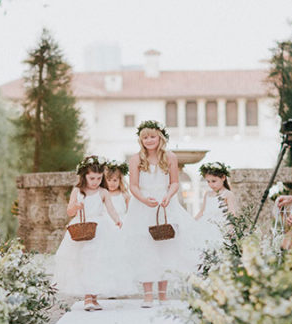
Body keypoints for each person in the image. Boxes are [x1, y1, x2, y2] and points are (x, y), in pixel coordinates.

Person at [123, 120, 202, 307]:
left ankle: (163, 294)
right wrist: (143, 199)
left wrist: (168, 195)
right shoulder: (135, 159)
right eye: (145, 137)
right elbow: (132, 185)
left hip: (165, 203)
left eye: (152, 136)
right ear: (140, 140)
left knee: (166, 246)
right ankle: (148, 295)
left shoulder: (170, 157)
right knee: (145, 248)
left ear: (160, 137)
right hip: (143, 205)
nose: (149, 140)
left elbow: (175, 182)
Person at [53, 156, 124, 311]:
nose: (95, 182)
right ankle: (87, 297)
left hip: (99, 229)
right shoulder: (78, 191)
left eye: (99, 178)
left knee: (97, 262)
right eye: (92, 178)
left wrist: (117, 220)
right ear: (84, 176)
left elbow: (110, 208)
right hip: (82, 227)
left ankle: (94, 297)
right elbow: (69, 210)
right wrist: (76, 206)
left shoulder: (103, 192)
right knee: (83, 261)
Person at [195, 162, 238, 249]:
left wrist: (230, 230)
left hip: (220, 228)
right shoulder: (207, 194)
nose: (211, 184)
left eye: (214, 181)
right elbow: (202, 211)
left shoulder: (228, 194)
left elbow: (232, 213)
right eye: (208, 181)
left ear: (223, 177)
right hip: (205, 227)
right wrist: (192, 222)